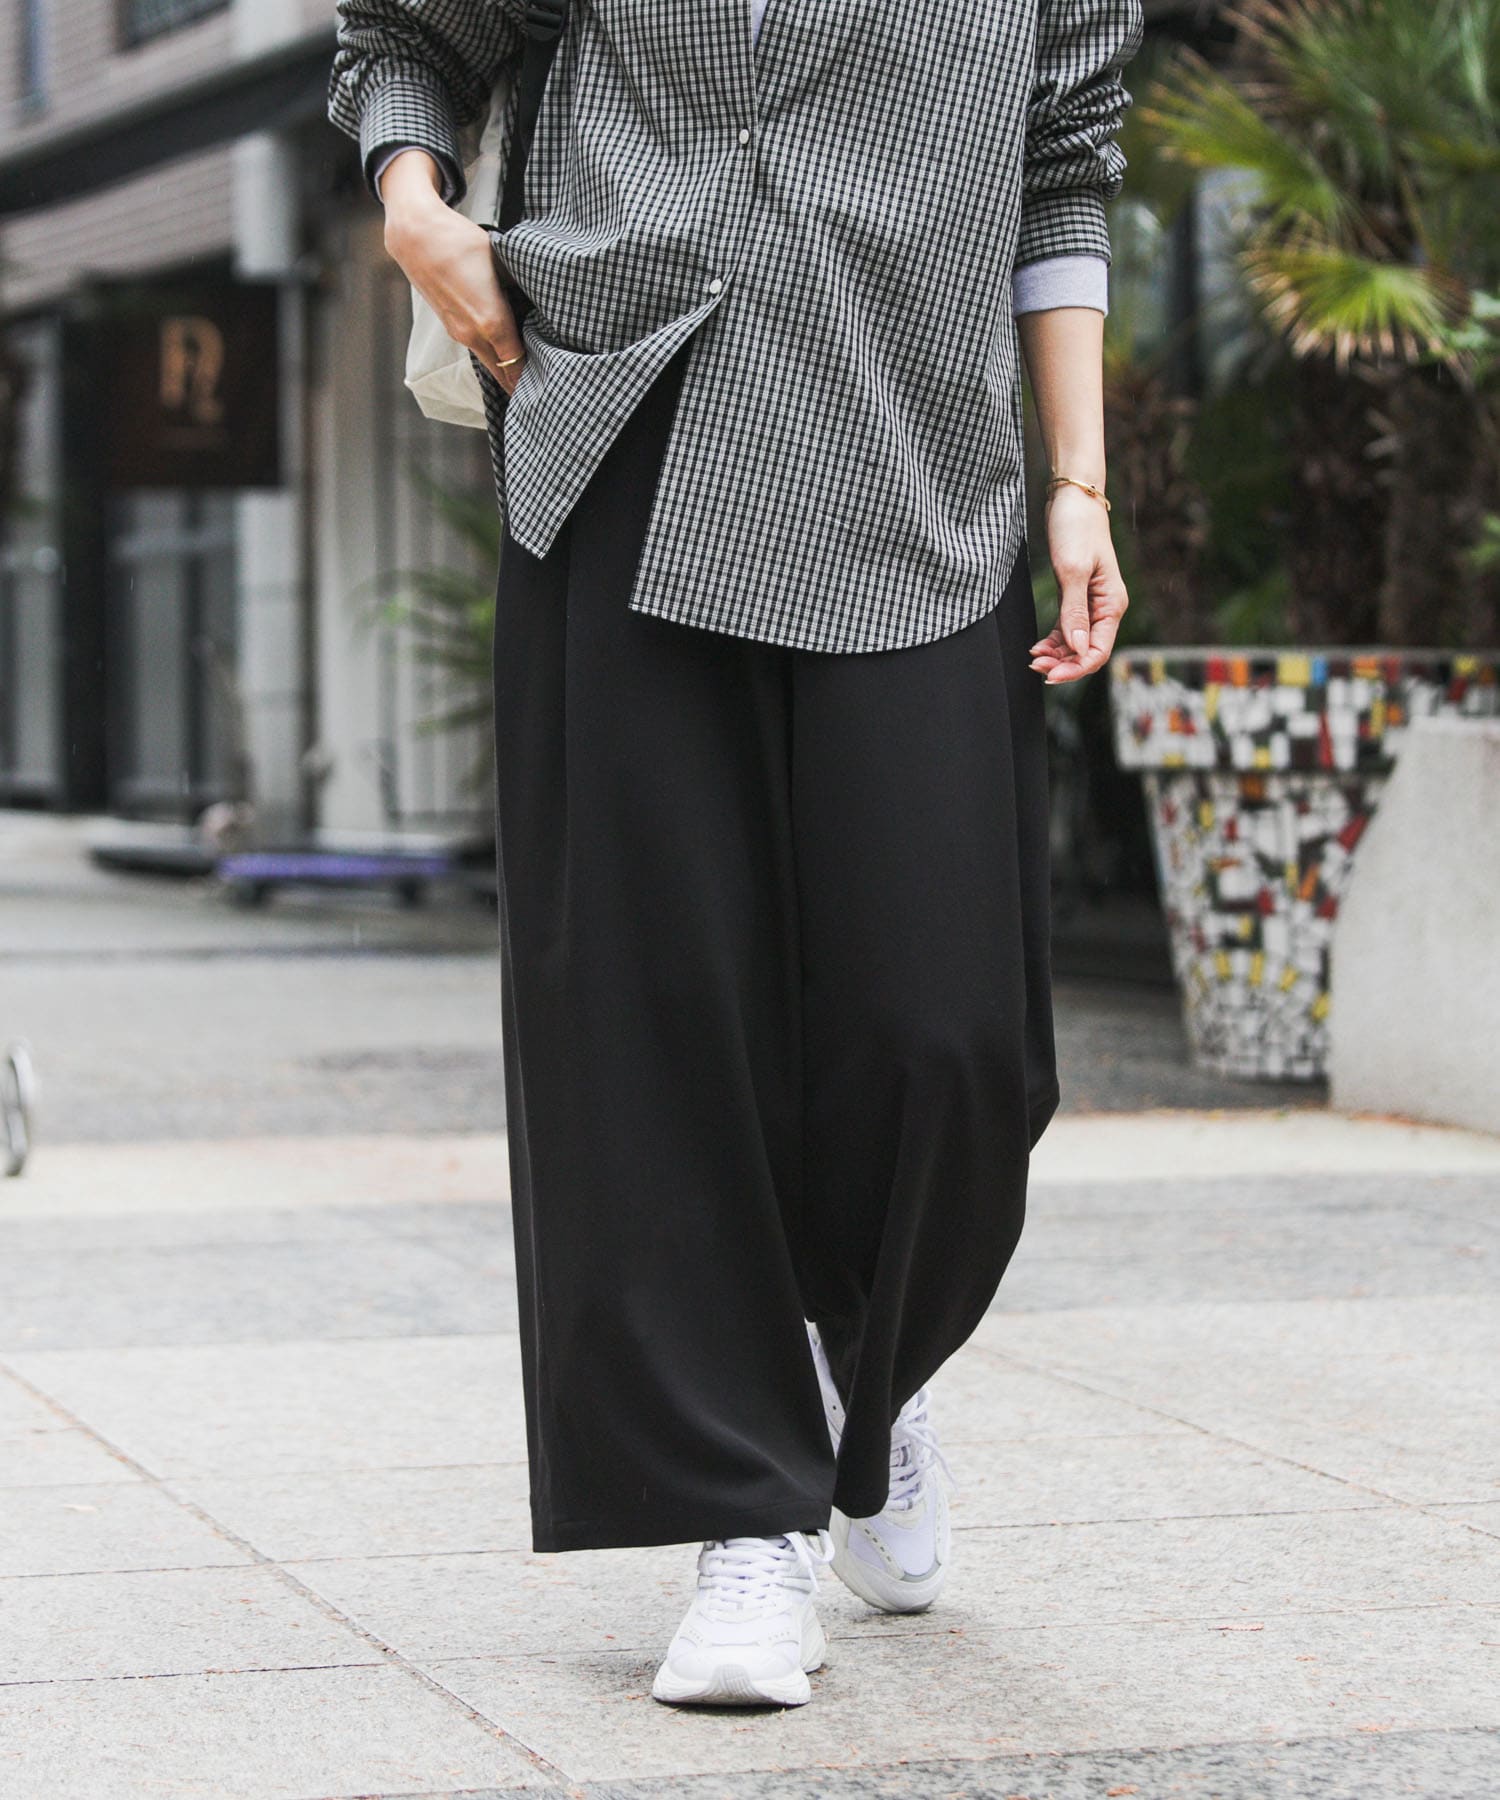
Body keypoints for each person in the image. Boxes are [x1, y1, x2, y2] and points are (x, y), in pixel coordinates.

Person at [330, 0, 1142, 1710]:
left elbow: (1062, 166)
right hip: (625, 422)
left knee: (945, 1036)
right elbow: (404, 34)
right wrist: (415, 208)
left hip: (913, 465)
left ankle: (870, 1364)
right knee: (655, 1010)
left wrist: (1077, 483)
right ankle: (745, 1519)